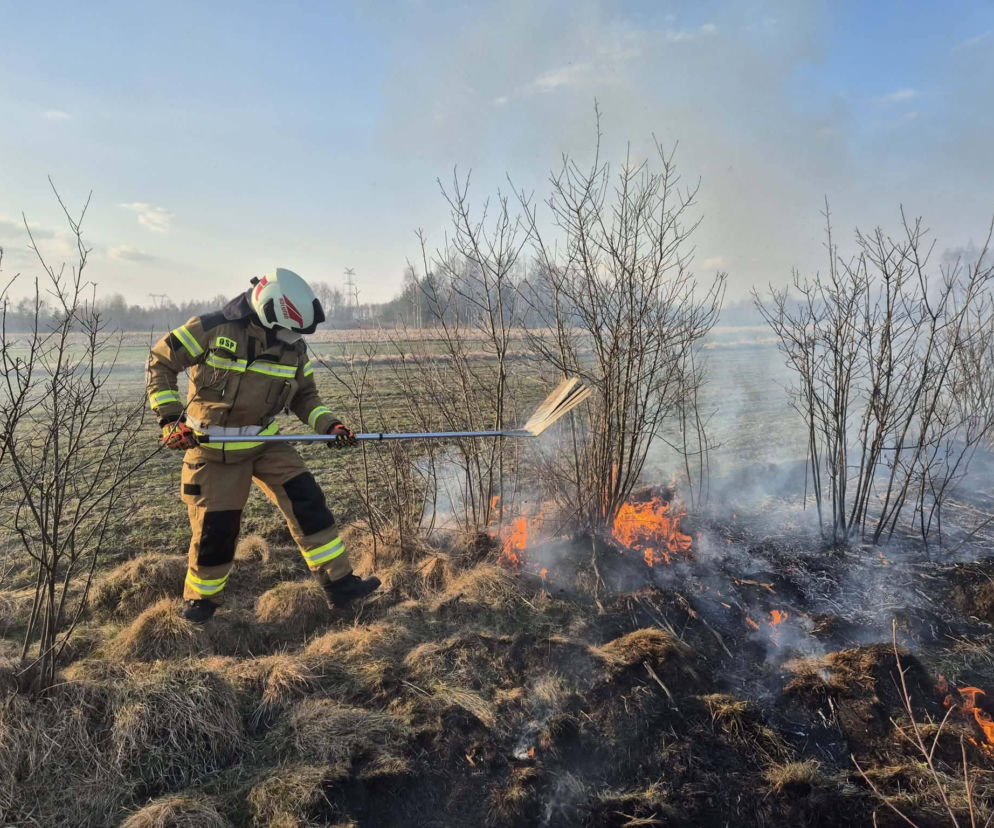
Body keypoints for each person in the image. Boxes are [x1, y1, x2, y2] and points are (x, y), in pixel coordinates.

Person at [146, 267, 380, 622]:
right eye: (289, 331)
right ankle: (201, 606)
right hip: (212, 447)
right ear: (269, 312)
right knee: (216, 530)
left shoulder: (293, 348)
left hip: (264, 440)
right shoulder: (212, 328)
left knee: (307, 501)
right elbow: (161, 360)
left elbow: (305, 397)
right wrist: (169, 418)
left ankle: (340, 584)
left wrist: (330, 425)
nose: (293, 339)